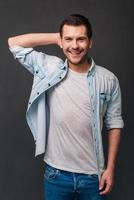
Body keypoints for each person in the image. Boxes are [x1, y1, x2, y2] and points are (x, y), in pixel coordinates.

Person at [8, 14, 124, 200]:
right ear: (61, 42)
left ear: (90, 42)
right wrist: (56, 37)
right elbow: (14, 43)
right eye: (68, 39)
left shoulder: (108, 79)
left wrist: (110, 169)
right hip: (56, 175)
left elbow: (114, 123)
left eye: (81, 39)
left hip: (94, 176)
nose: (75, 46)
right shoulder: (50, 69)